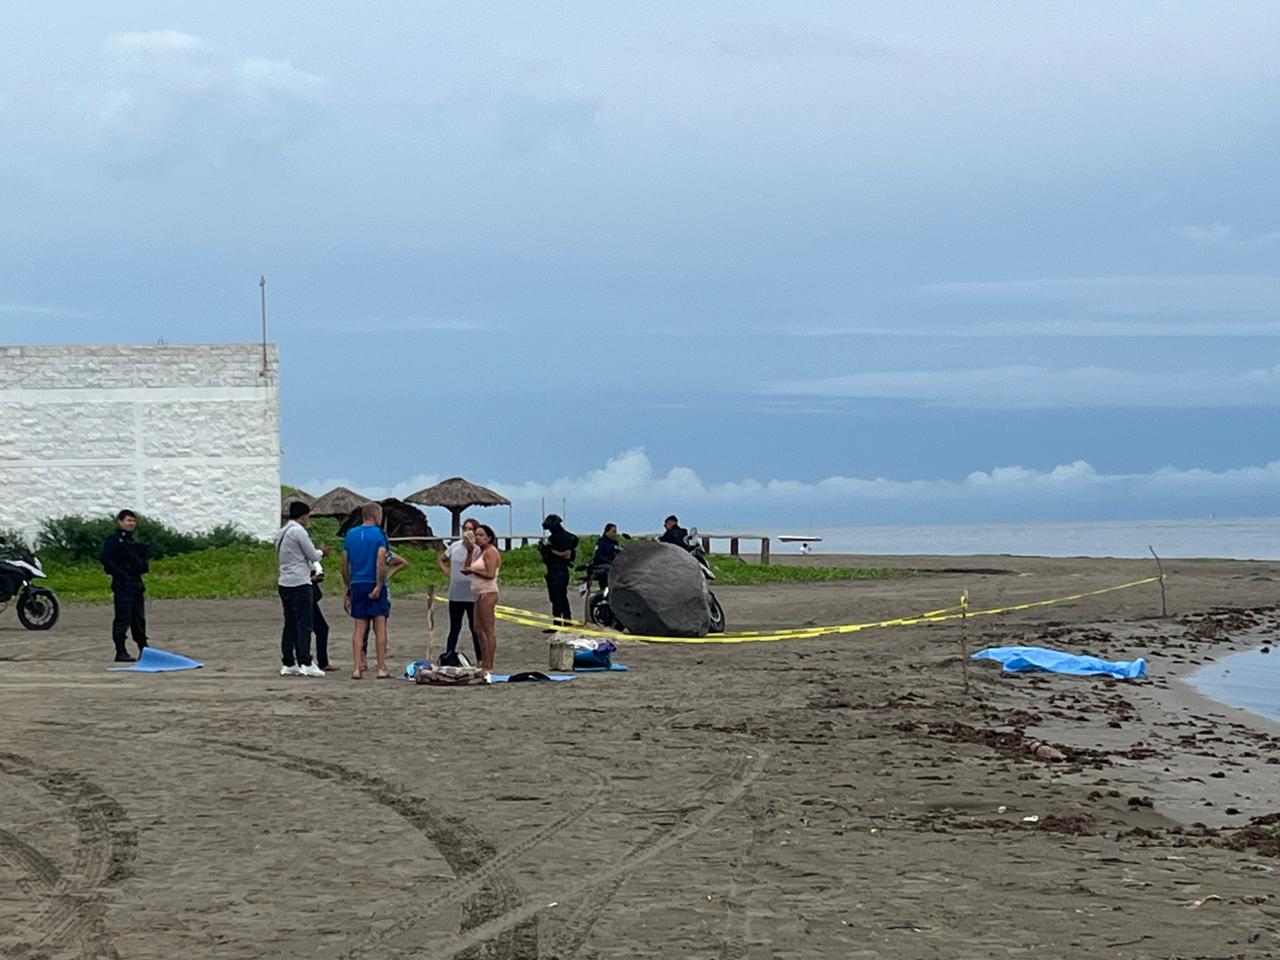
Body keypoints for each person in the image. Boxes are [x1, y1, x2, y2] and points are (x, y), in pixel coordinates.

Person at [275, 501, 329, 677]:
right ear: (303, 516)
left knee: (289, 624)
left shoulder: (282, 532)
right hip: (300, 582)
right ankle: (305, 661)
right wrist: (322, 552)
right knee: (304, 624)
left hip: (284, 582)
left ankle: (288, 662)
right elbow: (312, 555)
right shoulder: (298, 531)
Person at [343, 502, 390, 679]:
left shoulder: (351, 534)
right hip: (372, 580)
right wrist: (379, 584)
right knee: (380, 626)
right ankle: (381, 667)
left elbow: (344, 561)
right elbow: (380, 559)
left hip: (357, 582)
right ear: (376, 515)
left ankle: (356, 668)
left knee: (359, 627)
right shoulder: (379, 535)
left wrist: (347, 586)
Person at [100, 509, 149, 663]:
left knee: (138, 618)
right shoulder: (114, 541)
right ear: (120, 521)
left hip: (136, 583)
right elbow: (106, 559)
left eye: (133, 521)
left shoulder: (133, 541)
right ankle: (120, 651)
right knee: (123, 618)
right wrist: (121, 573)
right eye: (128, 520)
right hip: (123, 584)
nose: (131, 524)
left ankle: (144, 648)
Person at [437, 517, 481, 665]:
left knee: (475, 628)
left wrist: (470, 550)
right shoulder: (455, 546)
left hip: (472, 594)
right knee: (455, 628)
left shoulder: (478, 549)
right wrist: (448, 572)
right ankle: (449, 656)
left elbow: (472, 567)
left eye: (471, 529)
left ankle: (480, 659)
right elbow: (441, 559)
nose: (467, 532)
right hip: (456, 594)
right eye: (465, 529)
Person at [357, 548, 407, 673]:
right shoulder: (363, 552)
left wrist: (387, 576)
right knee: (366, 629)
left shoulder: (382, 552)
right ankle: (366, 660)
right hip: (367, 588)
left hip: (377, 591)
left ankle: (378, 661)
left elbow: (402, 562)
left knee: (377, 628)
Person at [463, 523, 501, 673]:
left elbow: (491, 574)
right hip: (478, 593)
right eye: (476, 535)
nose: (478, 538)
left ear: (489, 537)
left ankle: (489, 664)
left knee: (488, 629)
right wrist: (470, 551)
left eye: (481, 535)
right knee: (477, 628)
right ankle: (483, 660)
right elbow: (468, 567)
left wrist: (473, 571)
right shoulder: (479, 552)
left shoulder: (491, 552)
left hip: (488, 592)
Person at [538, 514, 578, 629]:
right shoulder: (553, 537)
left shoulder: (564, 537)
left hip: (560, 571)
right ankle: (557, 623)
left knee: (560, 597)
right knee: (554, 598)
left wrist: (551, 551)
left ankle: (566, 621)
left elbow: (567, 554)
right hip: (552, 570)